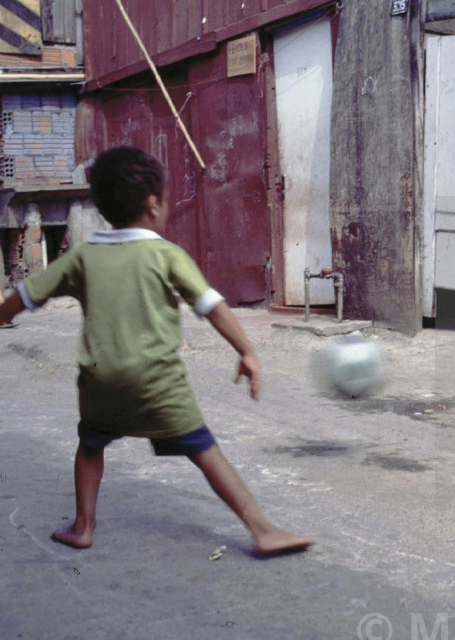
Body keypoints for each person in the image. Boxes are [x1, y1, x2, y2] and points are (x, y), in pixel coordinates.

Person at [0, 146, 312, 555]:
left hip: (100, 382)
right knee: (203, 449)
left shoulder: (84, 256)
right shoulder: (166, 254)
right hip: (157, 383)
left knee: (91, 446)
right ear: (152, 204)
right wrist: (247, 351)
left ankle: (83, 526)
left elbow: (22, 295)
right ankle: (261, 529)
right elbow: (212, 307)